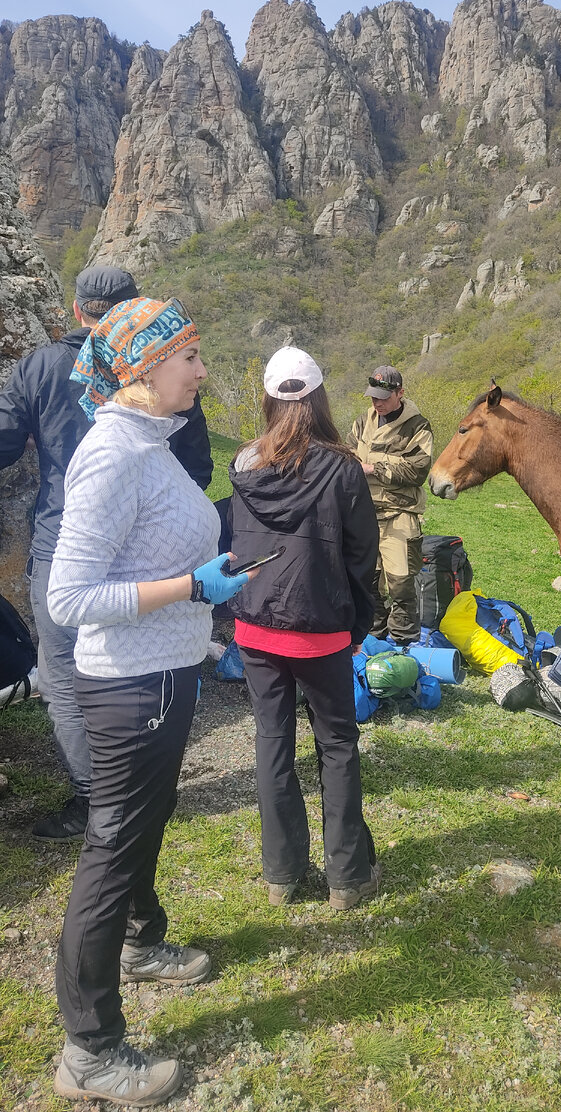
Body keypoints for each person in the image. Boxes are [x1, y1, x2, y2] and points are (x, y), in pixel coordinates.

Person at [45, 295, 246, 1106]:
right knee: (111, 850)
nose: (201, 370)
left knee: (140, 828)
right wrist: (189, 586)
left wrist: (205, 591)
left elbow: (148, 549)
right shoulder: (115, 453)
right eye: (189, 356)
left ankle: (137, 942)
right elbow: (69, 597)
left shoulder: (149, 443)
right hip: (129, 689)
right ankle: (89, 1050)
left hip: (164, 674)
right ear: (142, 367)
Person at [0, 266, 213, 841]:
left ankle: (97, 800)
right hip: (153, 551)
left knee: (65, 678)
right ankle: (135, 793)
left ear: (79, 312)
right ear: (135, 312)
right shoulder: (162, 369)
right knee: (142, 670)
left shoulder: (42, 366)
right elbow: (198, 466)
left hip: (63, 545)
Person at [227, 346, 381, 911]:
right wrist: (359, 623)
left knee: (273, 743)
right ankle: (348, 876)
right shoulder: (342, 468)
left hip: (255, 628)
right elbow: (363, 558)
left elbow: (236, 548)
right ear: (317, 398)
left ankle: (282, 875)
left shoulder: (244, 465)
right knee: (337, 744)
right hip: (320, 628)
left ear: (269, 398)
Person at [345, 365, 433, 647]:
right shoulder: (363, 421)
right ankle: (373, 638)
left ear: (400, 393)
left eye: (383, 397)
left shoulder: (418, 426)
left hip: (400, 514)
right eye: (373, 397)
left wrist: (373, 468)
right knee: (367, 580)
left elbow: (418, 471)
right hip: (364, 513)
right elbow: (348, 455)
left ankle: (405, 643)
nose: (377, 402)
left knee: (401, 583)